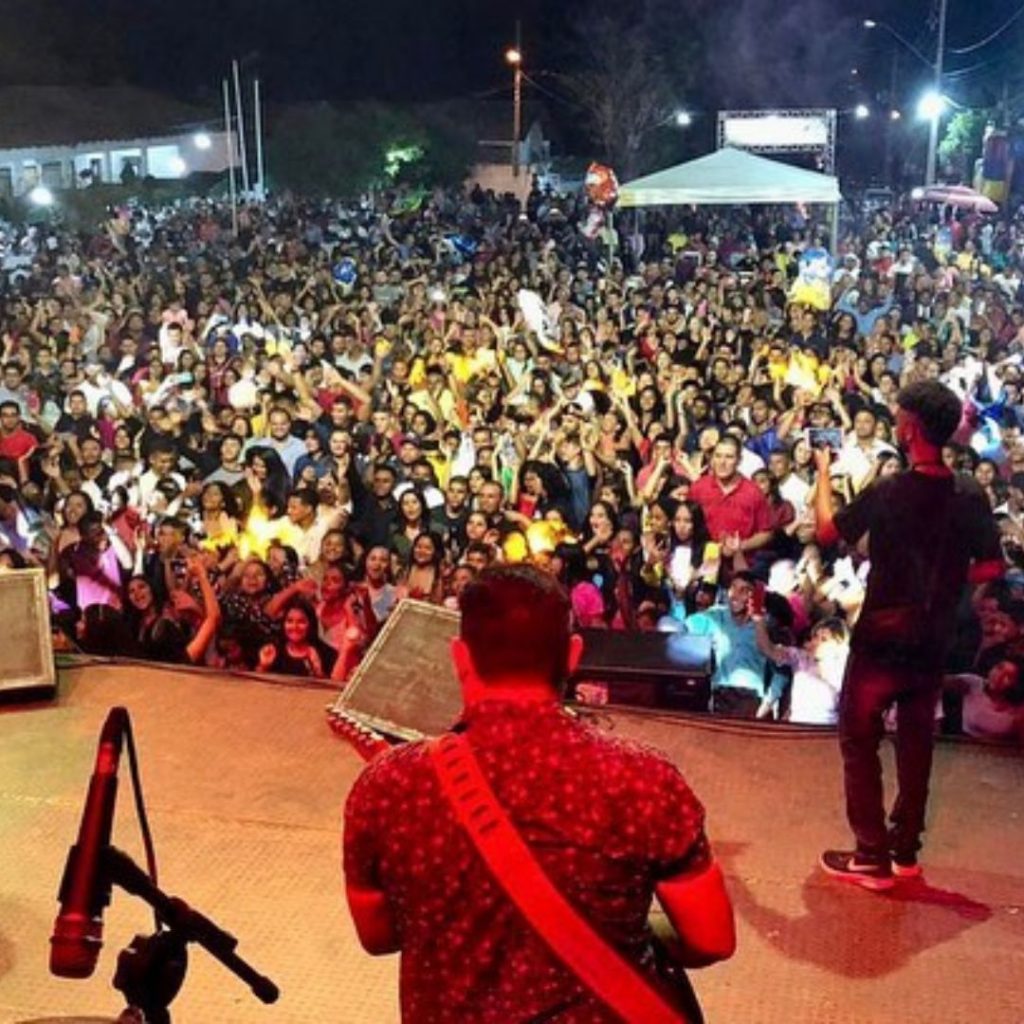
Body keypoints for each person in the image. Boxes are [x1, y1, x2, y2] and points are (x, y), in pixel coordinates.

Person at [344, 565, 734, 1023]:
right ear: (573, 655)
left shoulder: (386, 786)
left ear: (459, 657)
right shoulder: (644, 781)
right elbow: (711, 938)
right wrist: (618, 927)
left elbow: (378, 936)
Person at [814, 380, 1005, 890]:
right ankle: (905, 851)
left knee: (860, 740)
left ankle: (870, 855)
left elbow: (828, 532)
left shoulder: (890, 489)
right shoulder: (969, 492)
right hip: (933, 638)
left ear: (910, 428)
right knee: (917, 740)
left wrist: (823, 474)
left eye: (899, 417)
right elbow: (991, 566)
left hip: (881, 638)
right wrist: (948, 581)